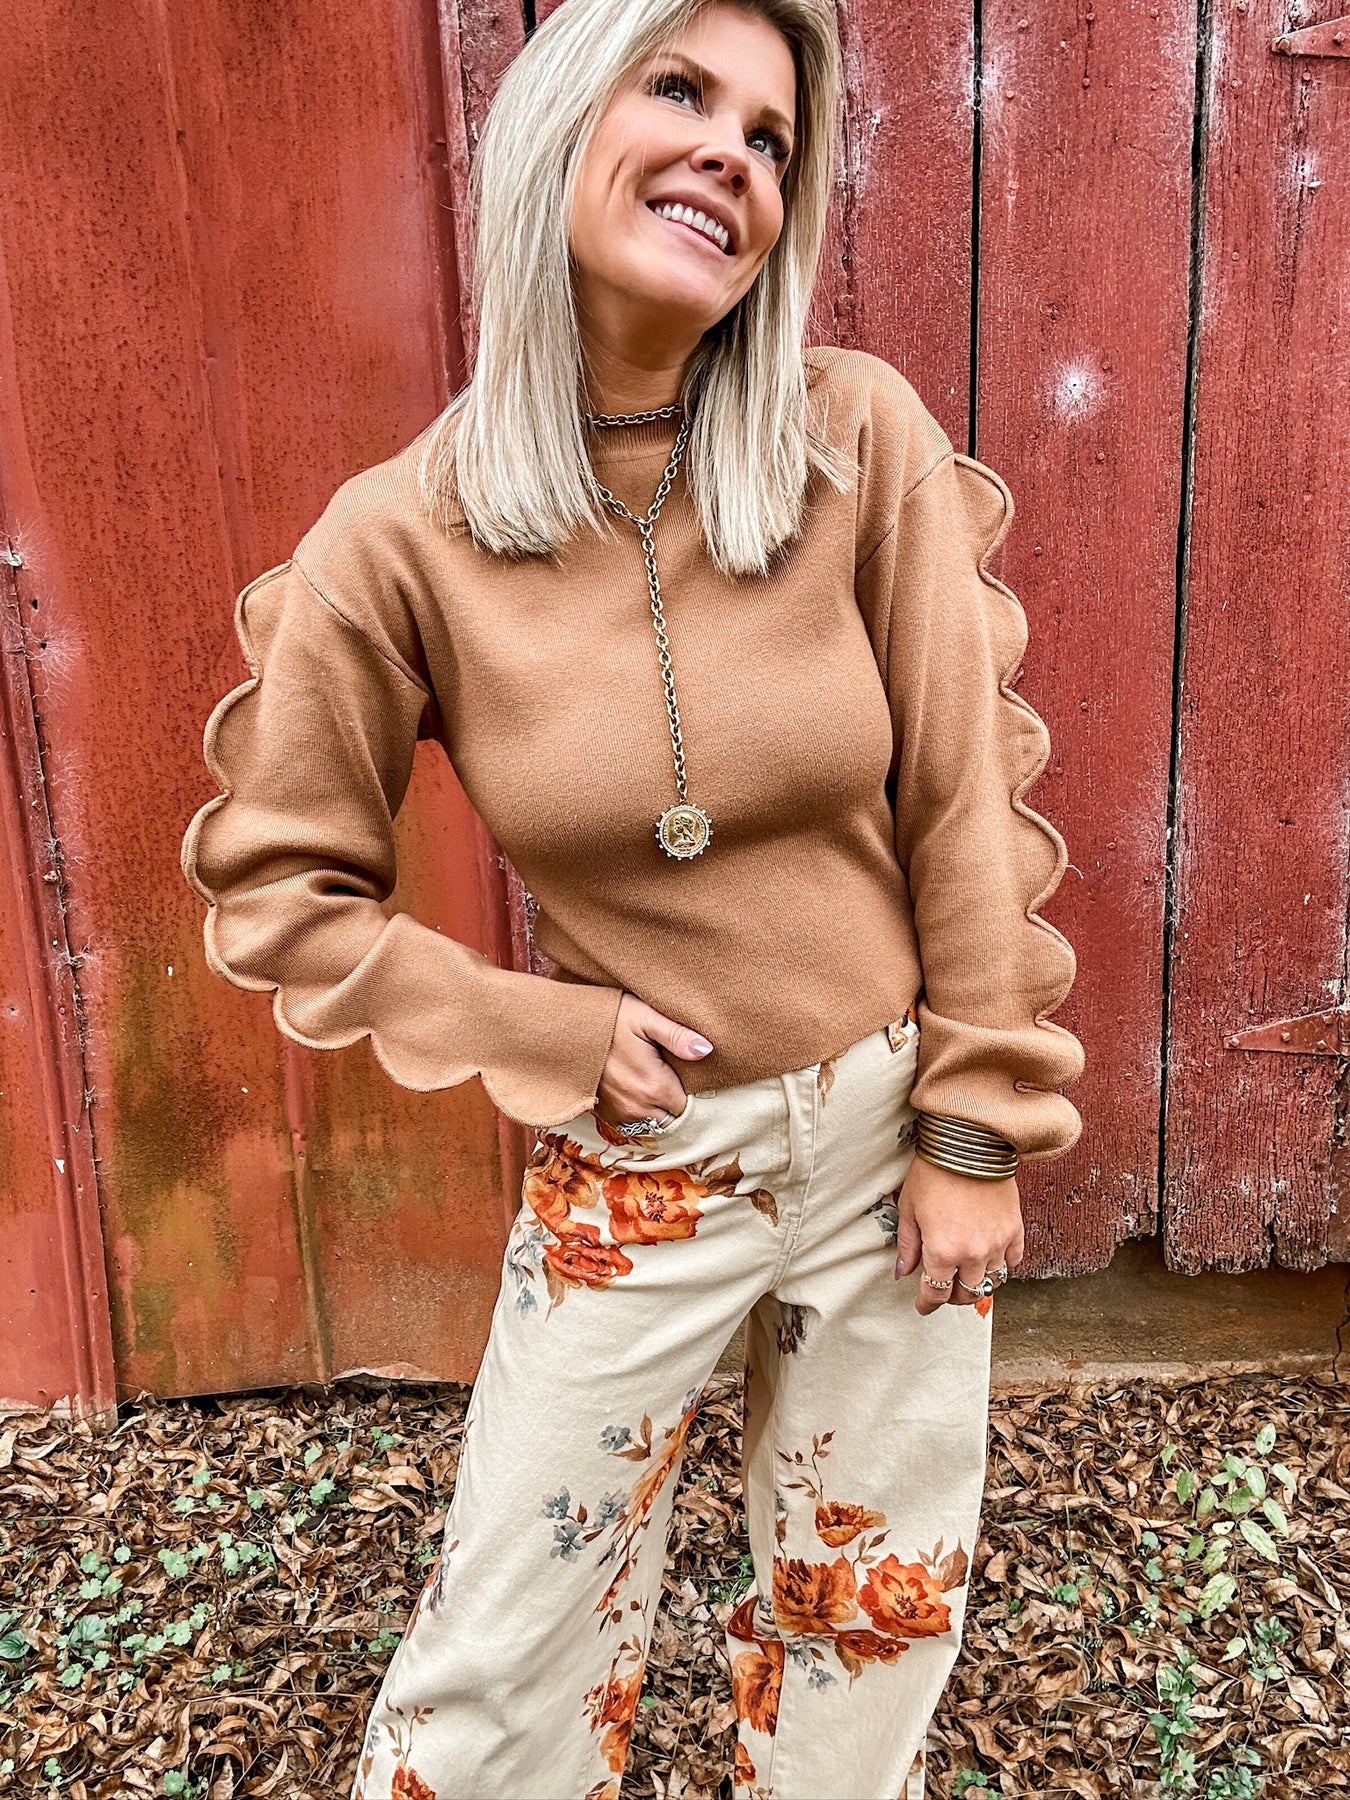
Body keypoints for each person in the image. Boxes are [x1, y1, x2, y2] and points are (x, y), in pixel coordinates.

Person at [180, 0, 1085, 1793]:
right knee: (502, 1661)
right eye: (680, 90)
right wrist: (537, 1026)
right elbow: (280, 886)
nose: (727, 156)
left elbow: (960, 802)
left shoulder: (853, 436)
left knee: (870, 1621)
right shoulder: (400, 538)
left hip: (890, 1133)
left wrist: (975, 1122)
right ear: (553, 126)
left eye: (769, 137)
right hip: (649, 1161)